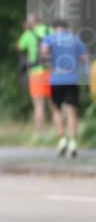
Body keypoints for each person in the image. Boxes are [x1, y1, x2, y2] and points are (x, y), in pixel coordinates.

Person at [41, 19, 89, 158]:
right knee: (72, 111)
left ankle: (62, 139)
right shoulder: (75, 39)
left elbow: (43, 52)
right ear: (65, 28)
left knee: (56, 109)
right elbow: (85, 58)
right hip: (72, 79)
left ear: (55, 28)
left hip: (56, 79)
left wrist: (49, 62)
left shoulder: (49, 38)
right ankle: (73, 142)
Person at [18, 14, 54, 132]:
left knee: (39, 105)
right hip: (51, 71)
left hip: (36, 72)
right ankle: (59, 131)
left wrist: (24, 30)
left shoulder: (28, 34)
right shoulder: (49, 30)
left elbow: (19, 47)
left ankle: (40, 132)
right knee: (54, 103)